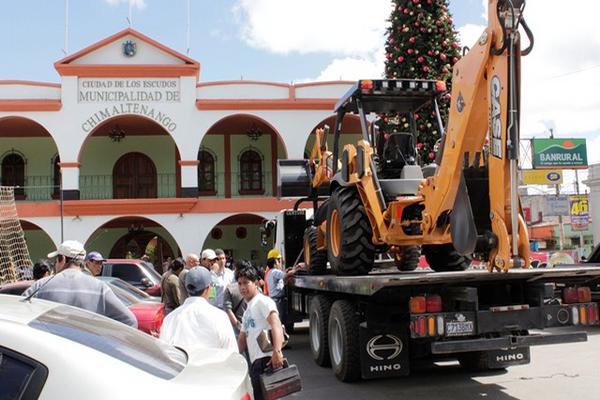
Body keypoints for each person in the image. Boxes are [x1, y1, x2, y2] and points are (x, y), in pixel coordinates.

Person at [23, 240, 137, 328]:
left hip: (47, 356)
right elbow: (130, 321)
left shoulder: (40, 286)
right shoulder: (100, 288)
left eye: (56, 260)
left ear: (62, 259)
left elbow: (17, 313)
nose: (55, 264)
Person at [160, 266, 237, 353]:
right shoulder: (220, 317)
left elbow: (164, 354)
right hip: (214, 366)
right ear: (208, 288)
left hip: (181, 366)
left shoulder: (170, 318)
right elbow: (232, 352)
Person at [237, 264, 285, 400]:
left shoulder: (263, 301)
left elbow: (276, 323)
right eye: (239, 283)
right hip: (255, 364)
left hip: (267, 361)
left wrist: (277, 351)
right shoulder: (247, 311)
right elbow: (242, 340)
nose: (242, 287)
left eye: (246, 282)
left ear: (256, 282)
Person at [265, 249, 298, 328]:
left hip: (273, 299)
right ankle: (279, 337)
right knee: (279, 321)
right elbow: (285, 275)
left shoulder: (269, 273)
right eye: (278, 261)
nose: (280, 263)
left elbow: (282, 275)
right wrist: (295, 270)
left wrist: (287, 271)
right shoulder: (275, 272)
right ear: (274, 262)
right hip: (278, 300)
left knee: (276, 320)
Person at [224, 260, 249, 336]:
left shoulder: (230, 288)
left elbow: (228, 310)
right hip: (253, 329)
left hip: (236, 331)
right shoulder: (256, 288)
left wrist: (239, 326)